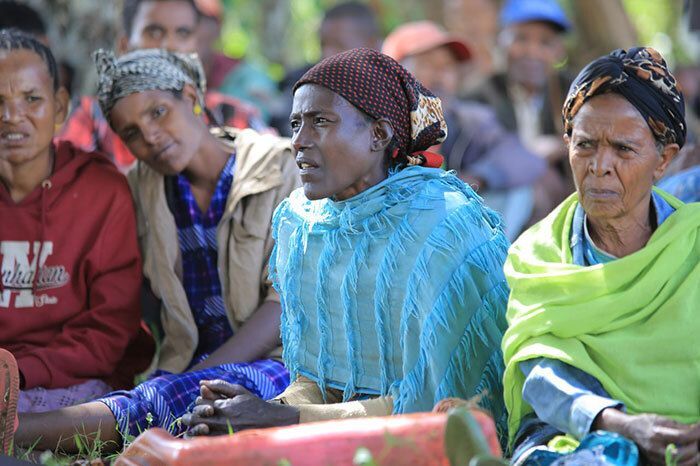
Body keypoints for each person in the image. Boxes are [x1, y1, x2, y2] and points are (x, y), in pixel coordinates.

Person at [183, 48, 510, 440]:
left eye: (320, 121)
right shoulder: (304, 223)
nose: (299, 142)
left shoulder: (441, 224)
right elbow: (319, 381)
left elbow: (437, 404)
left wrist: (280, 419)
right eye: (295, 124)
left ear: (378, 134)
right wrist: (253, 411)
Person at [0, 48, 299, 454]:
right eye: (131, 133)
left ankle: (15, 433)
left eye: (158, 112)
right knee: (162, 402)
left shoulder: (281, 168)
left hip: (275, 362)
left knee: (165, 402)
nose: (151, 136)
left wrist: (198, 377)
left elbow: (280, 308)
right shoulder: (141, 186)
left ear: (191, 97)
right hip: (184, 363)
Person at [502, 47, 700, 466]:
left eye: (624, 150)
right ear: (568, 144)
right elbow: (541, 376)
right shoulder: (537, 254)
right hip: (581, 436)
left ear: (663, 159)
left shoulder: (694, 242)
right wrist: (622, 426)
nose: (599, 166)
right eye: (586, 145)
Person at [0, 30, 144, 453]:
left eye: (31, 99)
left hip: (72, 383)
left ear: (59, 107)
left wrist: (17, 373)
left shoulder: (101, 190)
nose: (12, 116)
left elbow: (108, 330)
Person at [382, 20, 547, 240]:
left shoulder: (469, 118)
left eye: (448, 66)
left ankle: (487, 264)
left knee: (524, 191)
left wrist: (475, 178)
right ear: (395, 73)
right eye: (428, 64)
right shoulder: (377, 129)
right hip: (394, 238)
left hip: (453, 230)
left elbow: (521, 157)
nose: (441, 75)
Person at [58, 0, 266, 172]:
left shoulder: (231, 115)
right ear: (125, 46)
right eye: (155, 32)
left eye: (183, 33)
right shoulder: (92, 117)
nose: (170, 46)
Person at [469, 0, 572, 217]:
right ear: (501, 41)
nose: (532, 52)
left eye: (545, 42)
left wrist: (559, 147)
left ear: (558, 50)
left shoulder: (572, 92)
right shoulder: (480, 96)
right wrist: (533, 155)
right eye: (521, 38)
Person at [270, 1, 381, 136]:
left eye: (338, 45)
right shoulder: (306, 83)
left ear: (373, 45)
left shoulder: (391, 94)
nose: (327, 55)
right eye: (323, 45)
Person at [193, 0, 279, 123]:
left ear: (217, 28)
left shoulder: (247, 77)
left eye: (198, 21)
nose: (193, 31)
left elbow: (257, 120)